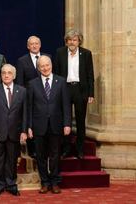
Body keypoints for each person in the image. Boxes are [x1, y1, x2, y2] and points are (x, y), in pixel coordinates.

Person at [27, 55, 71, 194]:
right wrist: (29, 126)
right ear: (38, 68)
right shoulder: (32, 84)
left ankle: (55, 182)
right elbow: (29, 107)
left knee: (55, 155)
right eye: (42, 66)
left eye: (47, 65)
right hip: (39, 126)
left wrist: (67, 123)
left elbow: (66, 105)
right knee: (40, 156)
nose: (45, 68)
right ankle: (45, 182)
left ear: (51, 65)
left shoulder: (61, 81)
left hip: (56, 124)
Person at [0, 64, 28, 197]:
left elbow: (25, 113)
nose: (6, 75)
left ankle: (11, 184)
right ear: (1, 75)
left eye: (9, 73)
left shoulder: (22, 91)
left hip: (15, 132)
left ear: (14, 75)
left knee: (12, 160)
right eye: (4, 73)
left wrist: (24, 131)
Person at [54, 29, 94, 159]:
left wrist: (91, 93)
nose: (72, 42)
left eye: (75, 40)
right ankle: (65, 149)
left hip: (80, 90)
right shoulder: (60, 53)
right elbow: (56, 73)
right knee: (65, 120)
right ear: (66, 41)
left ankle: (80, 149)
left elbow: (90, 75)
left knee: (80, 120)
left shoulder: (86, 54)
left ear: (79, 41)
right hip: (64, 89)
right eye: (70, 40)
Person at [15, 35, 49, 158]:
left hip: (46, 96)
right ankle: (32, 148)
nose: (34, 46)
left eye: (36, 43)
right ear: (28, 46)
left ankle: (45, 147)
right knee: (30, 121)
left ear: (40, 45)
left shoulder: (47, 58)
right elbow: (19, 82)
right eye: (32, 44)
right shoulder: (22, 61)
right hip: (29, 97)